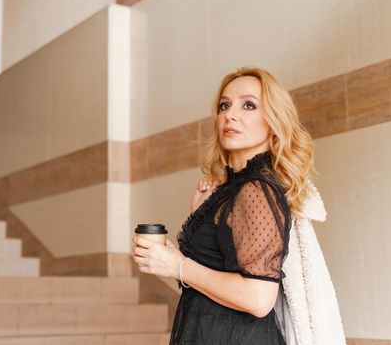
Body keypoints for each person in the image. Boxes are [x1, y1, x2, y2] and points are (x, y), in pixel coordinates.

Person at [131, 66, 320, 344]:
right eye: (224, 105)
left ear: (274, 121)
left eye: (249, 105)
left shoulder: (256, 189)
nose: (230, 114)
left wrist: (180, 266)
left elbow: (258, 298)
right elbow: (211, 283)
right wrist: (180, 249)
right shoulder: (232, 189)